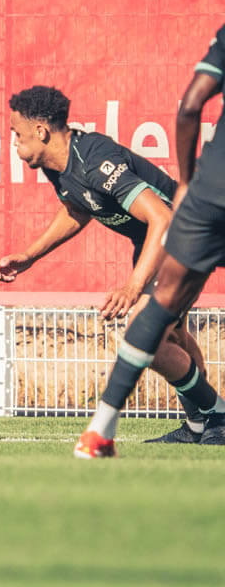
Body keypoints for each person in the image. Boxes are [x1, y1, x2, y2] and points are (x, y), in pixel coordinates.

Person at [0, 85, 224, 449]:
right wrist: (29, 256)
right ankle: (202, 424)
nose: (13, 141)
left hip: (186, 236)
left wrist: (132, 287)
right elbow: (78, 208)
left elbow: (162, 218)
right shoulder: (60, 168)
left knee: (144, 330)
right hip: (163, 243)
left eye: (16, 133)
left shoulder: (94, 157)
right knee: (171, 338)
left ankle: (216, 414)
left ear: (40, 131)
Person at [75, 27, 225, 457]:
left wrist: (185, 181)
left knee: (160, 307)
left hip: (210, 189)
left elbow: (191, 104)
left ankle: (100, 429)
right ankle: (208, 415)